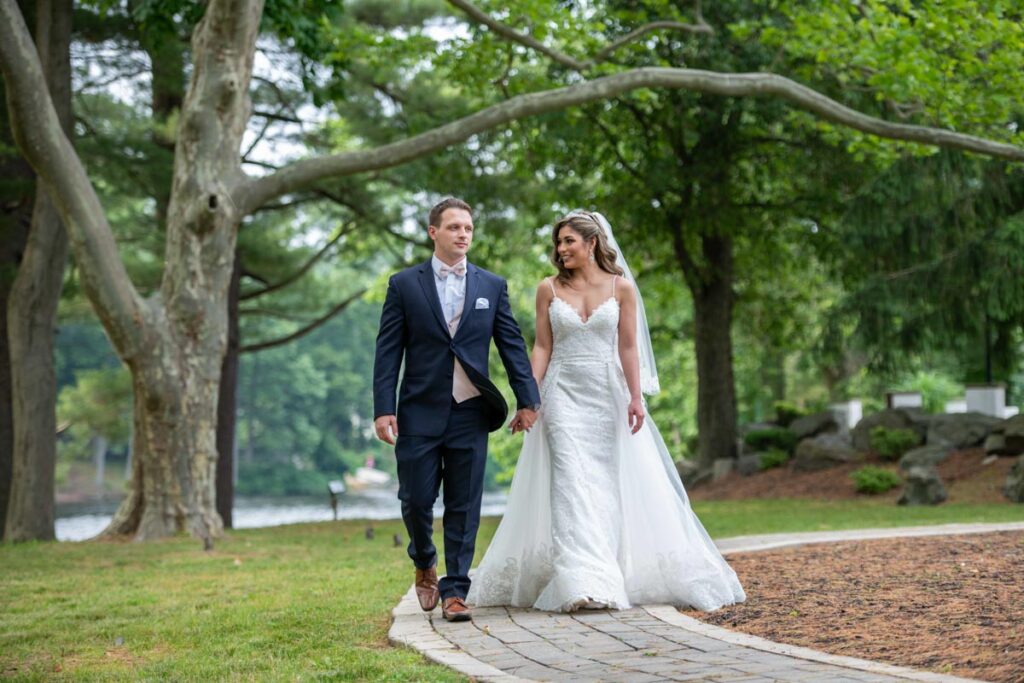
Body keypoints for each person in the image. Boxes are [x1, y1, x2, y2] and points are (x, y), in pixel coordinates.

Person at [467, 210, 745, 612]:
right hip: (561, 392)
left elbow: (628, 346)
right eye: (558, 243)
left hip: (606, 393)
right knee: (569, 481)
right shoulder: (548, 288)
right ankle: (580, 579)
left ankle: (607, 569)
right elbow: (542, 347)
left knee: (603, 483)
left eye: (569, 242)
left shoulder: (622, 288)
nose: (561, 250)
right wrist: (530, 398)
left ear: (591, 242)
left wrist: (636, 397)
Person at [373, 197, 541, 622]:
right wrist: (383, 408)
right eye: (453, 227)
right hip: (418, 412)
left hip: (470, 411)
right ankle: (424, 560)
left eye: (467, 227)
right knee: (414, 500)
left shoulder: (491, 286)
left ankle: (455, 590)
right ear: (434, 232)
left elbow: (511, 346)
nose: (463, 234)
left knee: (464, 505)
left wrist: (528, 399)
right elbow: (388, 351)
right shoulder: (404, 285)